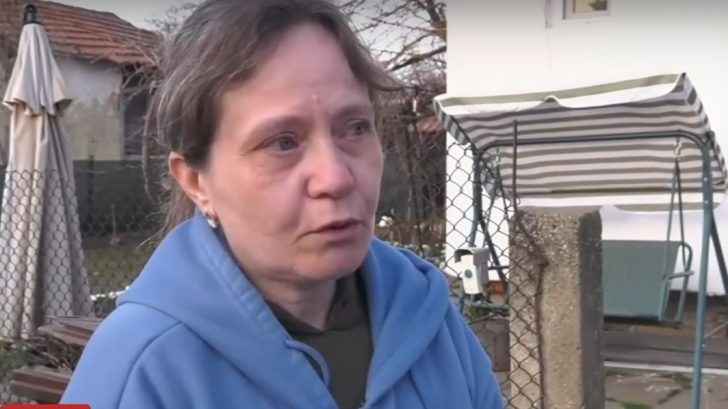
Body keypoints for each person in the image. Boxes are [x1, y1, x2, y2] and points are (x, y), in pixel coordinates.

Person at [61, 0, 504, 408]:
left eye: (354, 128)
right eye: (282, 142)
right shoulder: (138, 371)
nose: (336, 177)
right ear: (197, 182)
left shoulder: (429, 320)